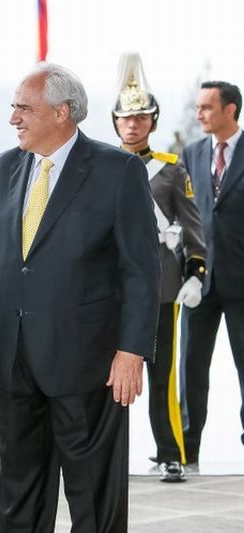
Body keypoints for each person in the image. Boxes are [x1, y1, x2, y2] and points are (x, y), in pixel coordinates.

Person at [0, 63, 159, 531]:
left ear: (63, 112)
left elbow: (141, 271)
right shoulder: (1, 166)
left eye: (24, 108)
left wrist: (132, 351)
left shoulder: (119, 170)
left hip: (89, 364)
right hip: (12, 358)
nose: (13, 118)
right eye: (13, 107)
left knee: (93, 493)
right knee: (17, 490)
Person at [112, 53, 207, 483]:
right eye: (126, 119)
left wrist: (195, 273)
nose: (133, 125)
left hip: (162, 284)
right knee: (108, 375)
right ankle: (109, 454)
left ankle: (170, 452)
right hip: (110, 287)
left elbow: (193, 226)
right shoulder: (101, 166)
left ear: (152, 121)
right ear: (115, 122)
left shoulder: (171, 170)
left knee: (162, 374)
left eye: (141, 118)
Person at [180, 80, 244, 468]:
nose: (199, 113)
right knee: (191, 367)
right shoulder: (191, 153)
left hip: (242, 282)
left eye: (207, 107)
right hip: (198, 283)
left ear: (230, 110)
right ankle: (187, 450)